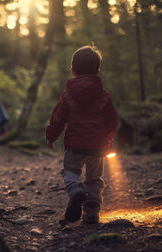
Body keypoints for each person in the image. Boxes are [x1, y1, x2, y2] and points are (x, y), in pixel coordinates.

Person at [45, 45, 118, 224]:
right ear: (98, 71)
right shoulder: (104, 96)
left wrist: (51, 137)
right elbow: (112, 121)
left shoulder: (67, 95)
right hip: (98, 146)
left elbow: (57, 119)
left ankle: (77, 189)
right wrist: (109, 137)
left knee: (70, 171)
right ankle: (92, 213)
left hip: (74, 145)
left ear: (73, 70)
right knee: (94, 178)